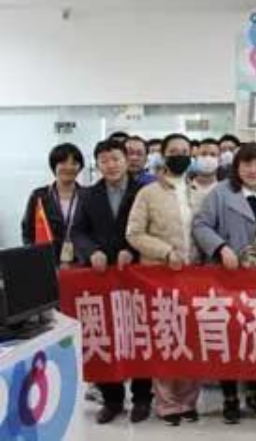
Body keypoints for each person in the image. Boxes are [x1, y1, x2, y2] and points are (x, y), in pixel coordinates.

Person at [192, 142, 256, 424]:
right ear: (237, 167)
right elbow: (201, 225)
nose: (253, 170)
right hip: (226, 275)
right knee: (228, 337)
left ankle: (255, 392)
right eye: (247, 164)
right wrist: (220, 247)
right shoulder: (221, 192)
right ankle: (229, 396)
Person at [71, 139, 152, 424]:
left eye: (116, 158)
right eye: (104, 160)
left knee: (138, 336)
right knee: (106, 335)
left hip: (136, 274)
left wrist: (132, 250)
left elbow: (152, 228)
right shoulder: (88, 195)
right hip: (101, 275)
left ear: (126, 160)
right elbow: (78, 232)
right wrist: (91, 251)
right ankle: (112, 399)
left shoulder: (143, 190)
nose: (111, 165)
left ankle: (142, 398)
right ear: (97, 164)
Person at [126, 133, 204, 427]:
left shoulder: (198, 192)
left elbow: (205, 230)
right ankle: (167, 403)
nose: (179, 155)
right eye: (174, 151)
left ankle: (188, 401)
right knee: (167, 338)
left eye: (185, 151)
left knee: (193, 340)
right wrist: (166, 251)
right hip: (160, 276)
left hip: (195, 276)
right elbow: (134, 233)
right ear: (163, 156)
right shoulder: (148, 193)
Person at [21, 143, 85, 267]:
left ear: (80, 167)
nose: (69, 167)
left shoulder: (88, 196)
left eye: (74, 163)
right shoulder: (39, 196)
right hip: (46, 262)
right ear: (54, 166)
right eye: (63, 163)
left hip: (81, 263)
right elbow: (28, 232)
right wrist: (36, 257)